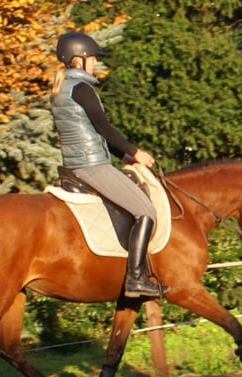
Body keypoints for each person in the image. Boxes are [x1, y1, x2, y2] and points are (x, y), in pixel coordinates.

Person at [50, 31, 166, 298]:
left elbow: (88, 131)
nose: (95, 63)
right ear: (79, 60)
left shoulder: (61, 89)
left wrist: (121, 155)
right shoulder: (82, 89)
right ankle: (136, 278)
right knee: (146, 211)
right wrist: (135, 152)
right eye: (92, 58)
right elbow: (103, 128)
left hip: (76, 164)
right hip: (92, 167)